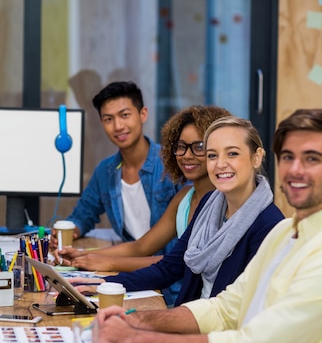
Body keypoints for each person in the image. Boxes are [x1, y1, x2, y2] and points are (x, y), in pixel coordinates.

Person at [94, 109, 322, 343]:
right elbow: (223, 309)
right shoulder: (284, 233)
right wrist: (135, 321)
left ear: (256, 158)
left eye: (312, 159)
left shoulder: (277, 228)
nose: (295, 169)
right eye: (288, 157)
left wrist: (134, 339)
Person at [73, 116, 284, 306]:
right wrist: (103, 283)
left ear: (256, 157)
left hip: (216, 335)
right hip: (191, 318)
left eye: (233, 154)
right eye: (212, 155)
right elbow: (170, 267)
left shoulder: (270, 225)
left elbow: (236, 309)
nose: (220, 164)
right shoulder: (211, 203)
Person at [59, 105, 231, 273]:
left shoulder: (226, 202)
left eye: (198, 147)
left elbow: (178, 263)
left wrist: (108, 262)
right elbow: (141, 246)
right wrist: (82, 255)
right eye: (180, 146)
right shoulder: (184, 197)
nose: (186, 155)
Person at [53, 81, 181, 303]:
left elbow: (176, 255)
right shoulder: (106, 171)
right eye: (108, 119)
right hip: (133, 273)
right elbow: (84, 213)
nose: (118, 126)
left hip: (172, 280)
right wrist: (69, 231)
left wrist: (96, 259)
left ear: (143, 114)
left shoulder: (172, 164)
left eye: (124, 115)